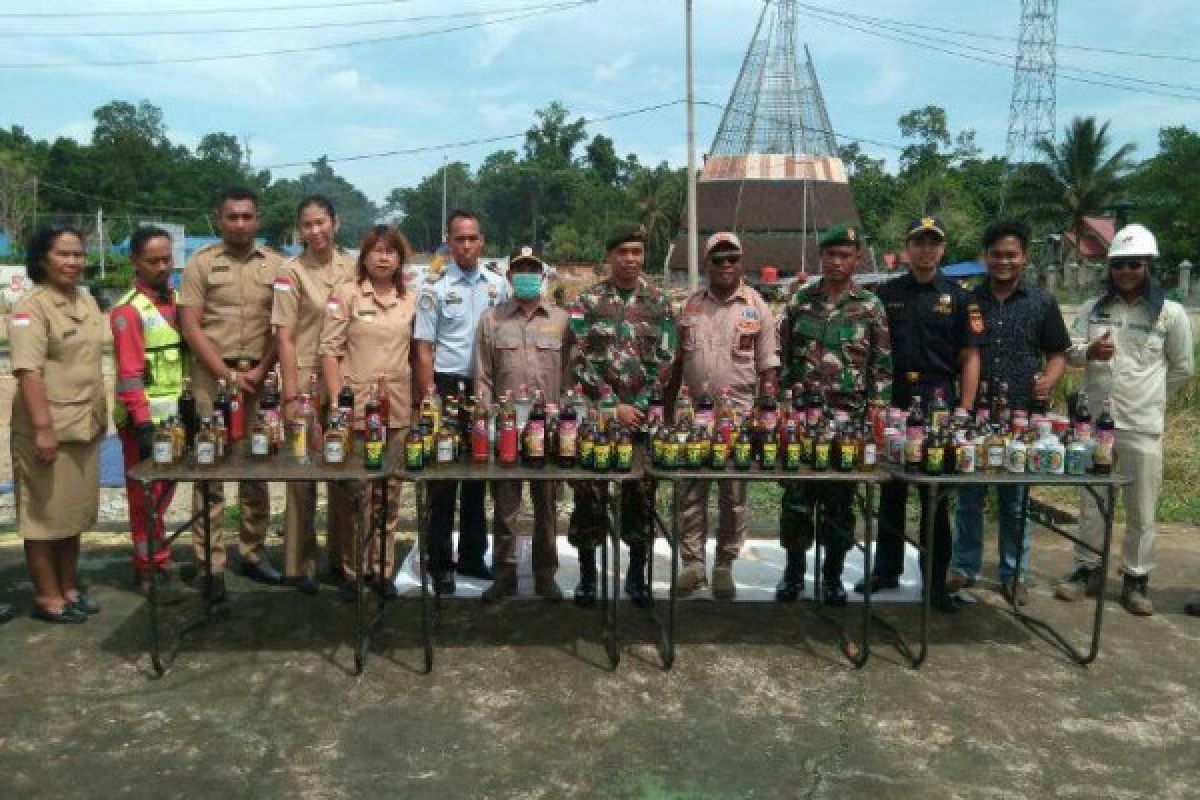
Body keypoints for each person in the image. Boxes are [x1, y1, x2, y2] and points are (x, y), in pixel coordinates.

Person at [1055, 224, 1194, 616]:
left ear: (1148, 266)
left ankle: (1136, 579)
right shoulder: (1093, 309)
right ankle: (1087, 570)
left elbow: (1182, 369)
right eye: (1119, 264)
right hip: (1094, 423)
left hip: (1142, 424)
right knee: (1092, 499)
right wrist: (1091, 352)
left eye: (1134, 264)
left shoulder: (1170, 314)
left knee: (1142, 506)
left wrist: (1152, 399)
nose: (1126, 272)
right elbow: (1070, 352)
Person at [855, 217, 982, 613]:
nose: (926, 249)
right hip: (895, 396)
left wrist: (965, 408)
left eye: (933, 243)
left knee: (935, 495)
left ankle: (935, 582)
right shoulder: (887, 293)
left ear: (942, 249)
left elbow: (970, 356)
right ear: (906, 247)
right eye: (918, 242)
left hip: (938, 400)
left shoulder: (960, 297)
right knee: (890, 488)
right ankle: (887, 570)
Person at [950, 219, 1070, 605]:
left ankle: (1013, 571)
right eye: (997, 254)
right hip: (979, 412)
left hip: (1022, 414)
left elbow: (1057, 354)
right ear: (985, 257)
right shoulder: (968, 300)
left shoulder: (1041, 302)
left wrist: (1049, 380)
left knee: (1015, 497)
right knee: (969, 493)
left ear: (1024, 257)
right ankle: (965, 566)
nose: (1004, 261)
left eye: (1011, 254)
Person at [775, 222, 891, 606]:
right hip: (803, 421)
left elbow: (882, 365)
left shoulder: (871, 306)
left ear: (857, 259)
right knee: (796, 500)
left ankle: (832, 578)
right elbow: (783, 355)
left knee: (839, 503)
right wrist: (781, 406)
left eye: (846, 255)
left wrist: (876, 415)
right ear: (820, 257)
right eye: (831, 255)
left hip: (849, 423)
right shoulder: (800, 302)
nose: (838, 262)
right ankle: (793, 573)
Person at [178, 187, 283, 601]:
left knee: (258, 466)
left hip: (259, 376)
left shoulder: (275, 265)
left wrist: (260, 369)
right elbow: (191, 325)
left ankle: (254, 553)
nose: (240, 224)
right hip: (213, 379)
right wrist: (225, 374)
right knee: (210, 468)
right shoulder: (200, 264)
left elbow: (282, 325)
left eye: (247, 216)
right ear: (218, 221)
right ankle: (210, 563)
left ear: (257, 220)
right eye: (232, 217)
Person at [664, 232, 779, 600]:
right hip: (693, 418)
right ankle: (692, 564)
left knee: (733, 495)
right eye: (718, 260)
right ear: (707, 263)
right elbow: (676, 365)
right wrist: (666, 416)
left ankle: (725, 565)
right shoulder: (690, 307)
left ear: (741, 262)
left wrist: (767, 417)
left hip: (740, 420)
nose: (725, 265)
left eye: (732, 258)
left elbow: (768, 369)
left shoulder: (757, 306)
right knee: (690, 490)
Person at [567, 225, 675, 608]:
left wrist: (640, 405)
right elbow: (579, 358)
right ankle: (587, 577)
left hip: (642, 421)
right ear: (609, 256)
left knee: (641, 498)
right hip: (599, 419)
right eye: (622, 251)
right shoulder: (588, 301)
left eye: (637, 251)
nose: (630, 258)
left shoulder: (659, 302)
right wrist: (612, 404)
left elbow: (666, 360)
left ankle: (637, 575)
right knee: (590, 498)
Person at [10, 226, 108, 623]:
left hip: (83, 425)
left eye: (78, 255)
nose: (73, 262)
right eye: (63, 255)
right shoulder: (31, 308)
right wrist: (44, 429)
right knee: (43, 516)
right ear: (42, 259)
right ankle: (47, 596)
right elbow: (27, 372)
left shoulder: (83, 300)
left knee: (72, 515)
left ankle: (69, 587)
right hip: (47, 430)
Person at [413, 209, 509, 594]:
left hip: (485, 388)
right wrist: (428, 399)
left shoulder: (498, 286)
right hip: (447, 386)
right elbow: (423, 348)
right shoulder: (432, 287)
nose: (466, 245)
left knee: (477, 476)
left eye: (472, 238)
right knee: (443, 479)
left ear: (482, 241)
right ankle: (440, 562)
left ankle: (472, 555)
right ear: (448, 242)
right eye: (459, 239)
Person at [320, 225, 416, 599]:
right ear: (364, 256)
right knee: (355, 492)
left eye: (390, 252)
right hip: (356, 408)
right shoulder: (345, 294)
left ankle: (382, 569)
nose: (383, 257)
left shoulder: (410, 299)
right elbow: (330, 351)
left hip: (396, 409)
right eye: (376, 251)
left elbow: (418, 351)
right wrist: (336, 405)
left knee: (389, 492)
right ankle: (352, 570)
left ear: (400, 259)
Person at [473, 247, 569, 603]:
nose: (526, 274)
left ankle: (546, 575)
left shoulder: (560, 320)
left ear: (542, 274)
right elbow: (482, 376)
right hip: (507, 427)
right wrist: (489, 423)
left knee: (546, 505)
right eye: (519, 269)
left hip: (549, 428)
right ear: (509, 276)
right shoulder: (492, 319)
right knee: (505, 506)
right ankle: (505, 574)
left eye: (533, 269)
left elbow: (571, 372)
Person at [272, 195, 357, 595]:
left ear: (335, 223)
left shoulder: (354, 267)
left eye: (321, 222)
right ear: (299, 229)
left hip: (343, 381)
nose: (315, 231)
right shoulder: (290, 273)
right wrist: (290, 396)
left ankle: (346, 561)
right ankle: (300, 563)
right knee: (302, 476)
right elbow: (284, 337)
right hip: (304, 382)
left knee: (345, 474)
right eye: (307, 225)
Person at [111, 226, 186, 603]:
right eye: (152, 260)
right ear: (135, 262)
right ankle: (147, 568)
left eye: (166, 259)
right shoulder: (129, 311)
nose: (162, 267)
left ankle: (159, 557)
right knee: (146, 500)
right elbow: (128, 375)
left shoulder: (175, 302)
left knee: (164, 496)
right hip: (145, 426)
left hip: (174, 423)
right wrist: (140, 423)